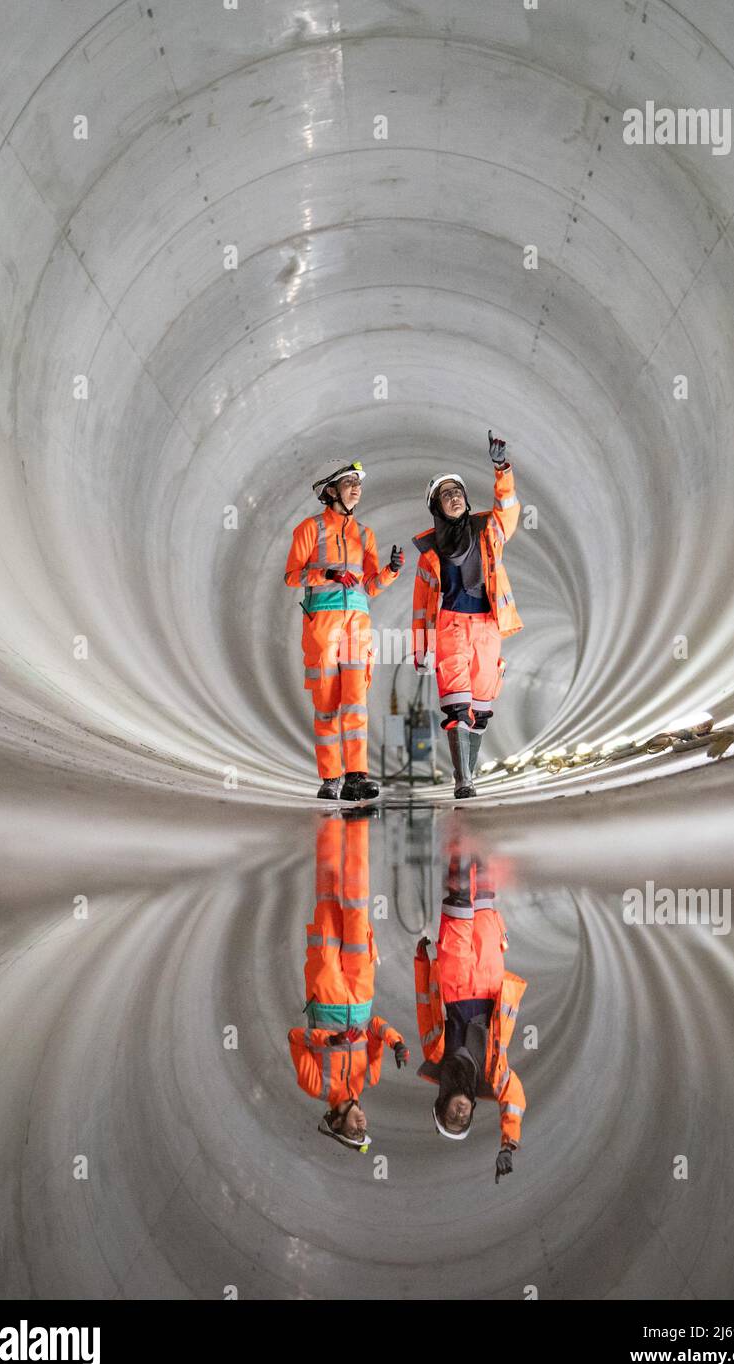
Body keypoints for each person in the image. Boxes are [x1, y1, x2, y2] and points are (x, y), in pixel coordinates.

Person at [288, 812, 408, 1151]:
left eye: (354, 1131)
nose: (363, 1125)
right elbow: (375, 1028)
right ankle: (357, 826)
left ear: (335, 1122)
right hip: (359, 994)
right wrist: (396, 1042)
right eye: (363, 1131)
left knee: (327, 901)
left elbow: (296, 1038)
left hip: (324, 993)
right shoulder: (368, 1077)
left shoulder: (315, 1085)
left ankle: (328, 824)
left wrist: (329, 1040)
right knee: (356, 907)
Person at [285, 459, 404, 800]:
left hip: (357, 623)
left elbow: (370, 585)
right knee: (327, 704)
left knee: (355, 702)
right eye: (349, 482)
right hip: (322, 622)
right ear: (330, 491)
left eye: (358, 483)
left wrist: (391, 571)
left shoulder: (365, 534)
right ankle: (330, 777)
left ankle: (356, 775)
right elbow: (292, 575)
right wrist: (328, 575)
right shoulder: (309, 529)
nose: (356, 488)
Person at [411, 431, 522, 797]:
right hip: (450, 627)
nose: (454, 498)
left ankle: (469, 773)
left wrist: (501, 468)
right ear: (436, 506)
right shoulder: (430, 553)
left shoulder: (487, 529)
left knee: (482, 708)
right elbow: (420, 607)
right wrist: (421, 650)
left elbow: (508, 508)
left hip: (488, 626)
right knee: (457, 706)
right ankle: (464, 782)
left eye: (457, 492)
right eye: (446, 494)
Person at [414, 848, 527, 1183]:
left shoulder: (435, 1056)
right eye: (463, 1120)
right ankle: (487, 833)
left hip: (456, 981)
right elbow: (515, 1099)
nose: (459, 1113)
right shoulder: (492, 1076)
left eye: (451, 1116)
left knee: (460, 901)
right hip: (491, 981)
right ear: (472, 1113)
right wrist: (509, 1143)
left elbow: (424, 1004)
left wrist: (422, 964)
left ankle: (462, 831)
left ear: (442, 1103)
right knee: (486, 902)